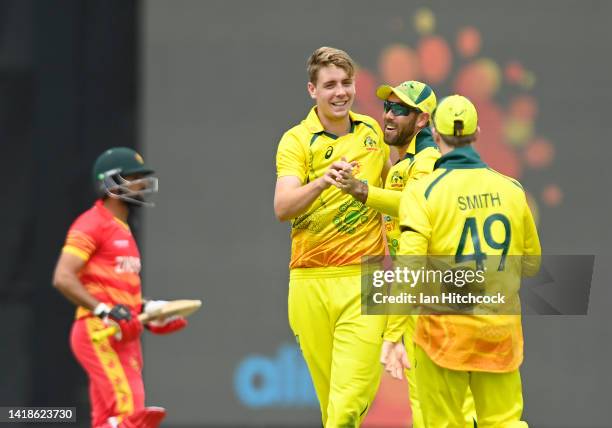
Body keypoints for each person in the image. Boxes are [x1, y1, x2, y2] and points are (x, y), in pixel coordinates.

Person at [381, 95, 541, 428]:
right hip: (498, 331)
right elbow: (531, 264)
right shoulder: (511, 189)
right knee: (505, 422)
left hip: (443, 335)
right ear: (477, 132)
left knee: (444, 423)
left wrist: (393, 334)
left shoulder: (423, 192)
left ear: (436, 135)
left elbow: (410, 268)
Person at [332, 81, 476, 428]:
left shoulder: (428, 159)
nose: (388, 116)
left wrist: (361, 190)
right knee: (425, 402)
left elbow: (417, 204)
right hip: (418, 287)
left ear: (423, 119)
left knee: (455, 403)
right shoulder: (404, 163)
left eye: (400, 110)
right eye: (387, 107)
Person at [274, 47, 389, 427]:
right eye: (330, 85)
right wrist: (322, 181)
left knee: (345, 407)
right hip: (309, 281)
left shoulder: (372, 131)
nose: (340, 92)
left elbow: (393, 189)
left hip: (365, 279)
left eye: (346, 83)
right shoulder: (297, 140)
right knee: (332, 411)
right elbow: (283, 206)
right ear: (312, 90)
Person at [53, 147, 188, 428]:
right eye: (133, 177)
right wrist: (104, 311)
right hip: (100, 332)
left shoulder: (122, 228)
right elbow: (63, 277)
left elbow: (121, 295)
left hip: (125, 335)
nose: (141, 184)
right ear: (110, 183)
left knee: (108, 421)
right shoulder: (91, 224)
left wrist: (150, 310)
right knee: (130, 414)